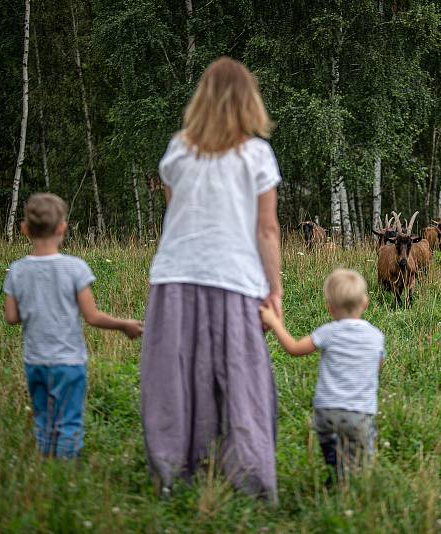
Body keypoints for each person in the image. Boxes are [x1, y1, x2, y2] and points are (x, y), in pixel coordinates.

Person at [141, 57, 282, 502]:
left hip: (176, 274)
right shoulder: (256, 154)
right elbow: (267, 229)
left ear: (201, 98)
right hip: (235, 276)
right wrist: (274, 289)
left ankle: (173, 473)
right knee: (242, 377)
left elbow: (175, 208)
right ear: (248, 102)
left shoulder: (178, 150)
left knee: (176, 375)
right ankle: (249, 479)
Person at [3, 193, 143, 459]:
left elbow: (11, 317)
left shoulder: (17, 270)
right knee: (69, 419)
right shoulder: (75, 268)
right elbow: (91, 316)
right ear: (62, 228)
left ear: (24, 229)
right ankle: (66, 474)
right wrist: (124, 324)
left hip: (35, 361)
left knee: (43, 418)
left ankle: (47, 463)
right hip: (68, 362)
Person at [259, 269, 385, 482]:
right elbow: (377, 367)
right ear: (365, 303)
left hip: (326, 413)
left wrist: (274, 322)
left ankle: (335, 476)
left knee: (334, 459)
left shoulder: (328, 332)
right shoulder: (377, 337)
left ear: (330, 308)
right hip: (359, 413)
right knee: (361, 464)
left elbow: (294, 348)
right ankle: (350, 489)